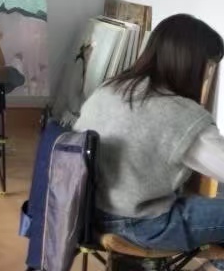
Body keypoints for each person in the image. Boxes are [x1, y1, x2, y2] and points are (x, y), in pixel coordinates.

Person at [73, 14, 224, 269]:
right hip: (140, 224)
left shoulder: (109, 90)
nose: (208, 76)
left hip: (87, 215)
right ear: (192, 66)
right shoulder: (180, 115)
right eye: (208, 67)